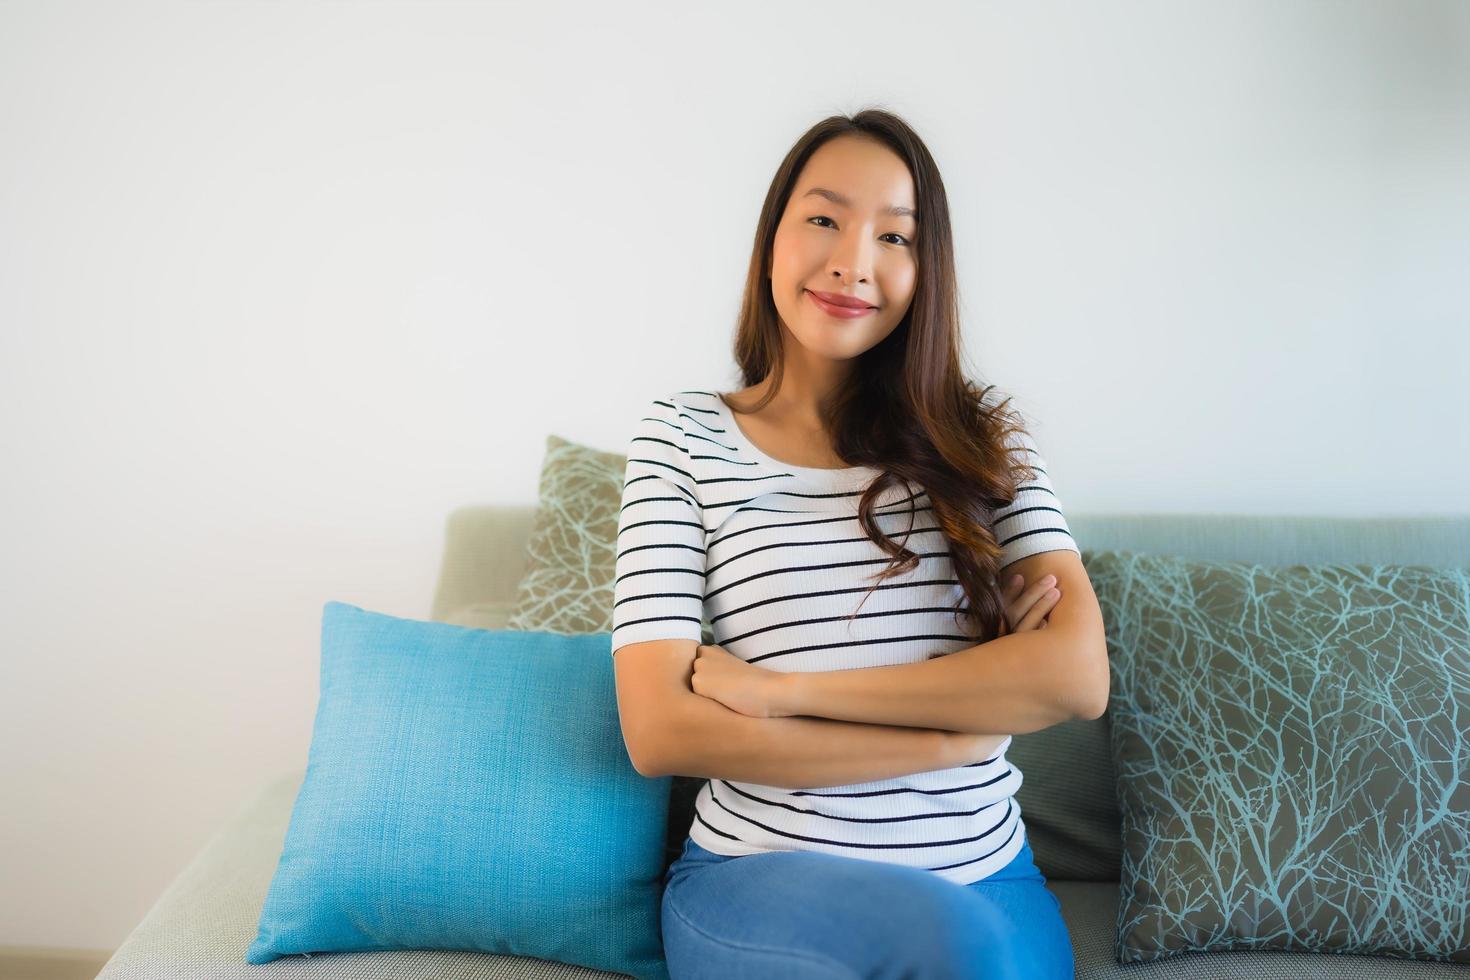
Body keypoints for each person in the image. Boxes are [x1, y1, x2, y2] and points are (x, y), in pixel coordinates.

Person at [611, 108, 1103, 979]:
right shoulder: (682, 438)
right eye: (824, 218)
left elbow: (1075, 676)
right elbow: (659, 729)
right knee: (953, 951)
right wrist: (953, 733)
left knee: (969, 948)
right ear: (773, 238)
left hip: (986, 879)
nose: (853, 260)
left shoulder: (986, 437)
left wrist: (779, 692)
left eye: (895, 236)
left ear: (927, 269)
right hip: (766, 876)